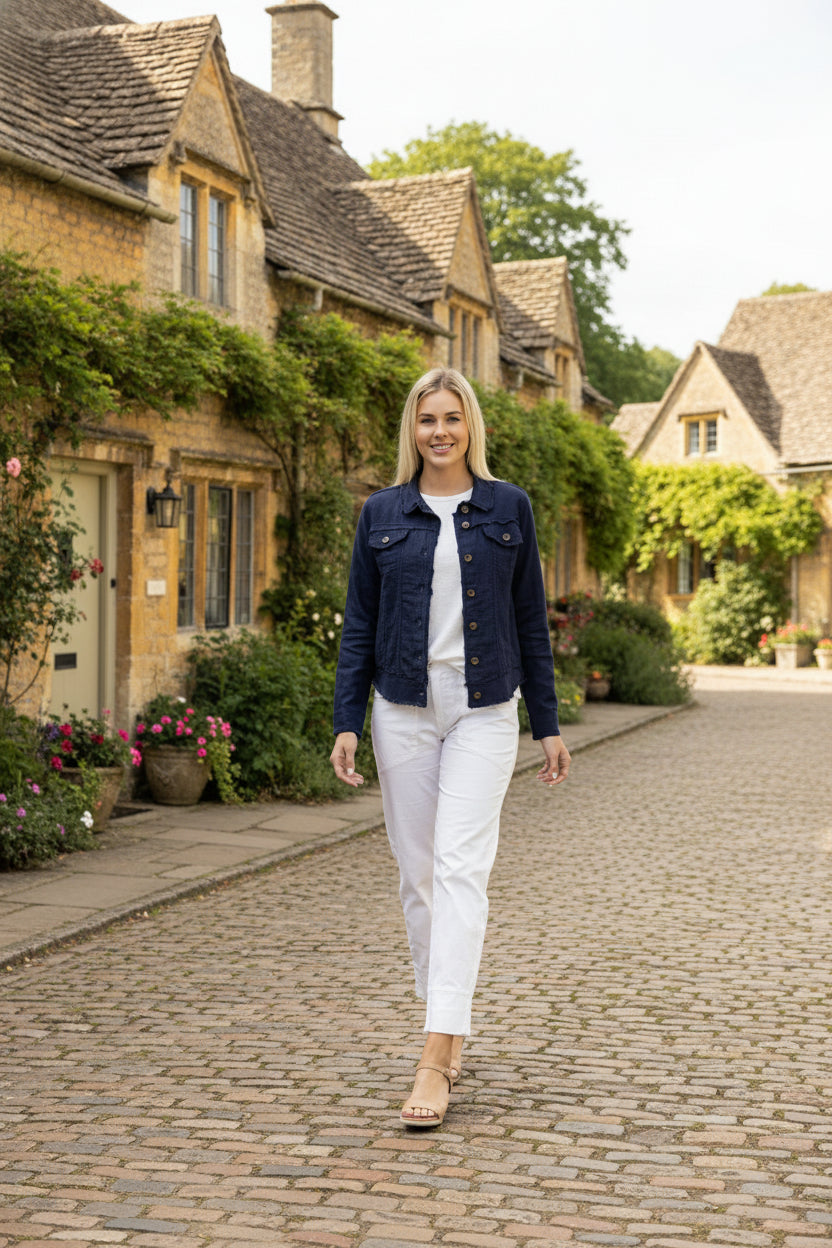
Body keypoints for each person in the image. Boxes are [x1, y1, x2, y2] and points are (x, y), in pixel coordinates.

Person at [330, 367, 570, 1128]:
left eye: (452, 418)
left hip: (484, 706)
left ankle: (434, 1057)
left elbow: (530, 619)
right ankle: (451, 1022)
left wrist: (548, 722)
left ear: (471, 427)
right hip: (401, 707)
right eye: (427, 419)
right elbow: (358, 624)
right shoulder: (382, 512)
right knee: (420, 878)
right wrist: (345, 720)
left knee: (461, 869)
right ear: (414, 428)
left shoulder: (507, 507)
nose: (440, 431)